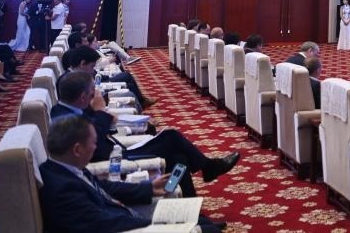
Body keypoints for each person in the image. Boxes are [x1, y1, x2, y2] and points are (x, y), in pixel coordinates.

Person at [51, 70, 240, 197]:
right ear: (83, 97)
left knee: (179, 160)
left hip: (115, 149)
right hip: (113, 160)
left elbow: (104, 126)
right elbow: (94, 138)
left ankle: (192, 206)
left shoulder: (73, 107)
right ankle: (208, 167)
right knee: (172, 136)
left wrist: (99, 113)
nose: (96, 95)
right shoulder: (63, 117)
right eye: (93, 93)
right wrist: (100, 111)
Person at [40, 115, 224, 233]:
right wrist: (157, 224)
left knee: (199, 219)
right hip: (123, 225)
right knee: (208, 230)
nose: (96, 148)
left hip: (121, 215)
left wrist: (149, 188)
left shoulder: (66, 167)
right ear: (77, 149)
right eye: (94, 143)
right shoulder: (61, 189)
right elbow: (102, 223)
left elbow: (104, 187)